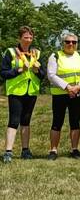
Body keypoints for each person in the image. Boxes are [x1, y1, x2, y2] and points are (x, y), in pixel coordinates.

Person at [2, 26, 45, 162]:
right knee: (14, 121)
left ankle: (25, 150)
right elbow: (3, 73)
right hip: (15, 91)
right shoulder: (10, 52)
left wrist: (37, 71)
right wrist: (19, 70)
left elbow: (43, 75)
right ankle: (8, 152)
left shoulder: (36, 53)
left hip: (31, 91)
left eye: (30, 37)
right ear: (19, 38)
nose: (28, 40)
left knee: (26, 121)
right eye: (25, 37)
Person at [46, 31, 80, 160]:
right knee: (57, 122)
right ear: (63, 43)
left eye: (74, 42)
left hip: (77, 93)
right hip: (60, 94)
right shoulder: (55, 56)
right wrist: (67, 87)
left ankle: (74, 149)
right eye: (68, 42)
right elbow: (51, 75)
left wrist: (79, 87)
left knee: (75, 122)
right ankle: (53, 150)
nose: (71, 44)